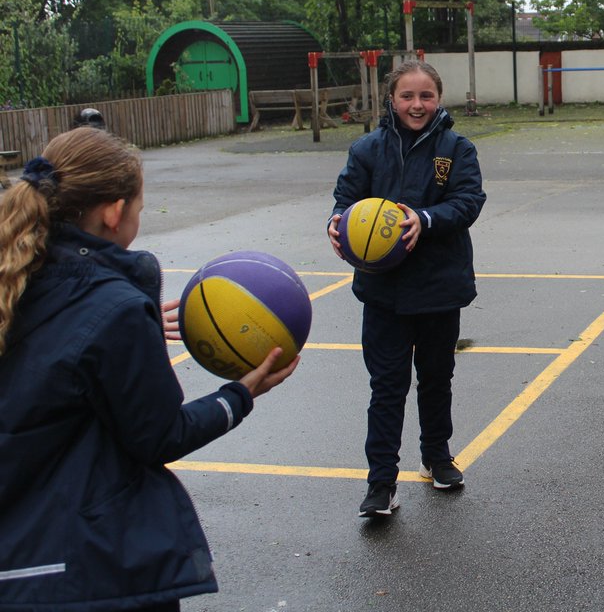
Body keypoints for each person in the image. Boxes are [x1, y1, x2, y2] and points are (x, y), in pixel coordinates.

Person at [0, 127, 298, 611]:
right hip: (89, 571)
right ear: (115, 212)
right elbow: (160, 436)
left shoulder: (15, 276)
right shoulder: (112, 311)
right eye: (139, 206)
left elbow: (53, 359)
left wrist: (116, 332)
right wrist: (238, 395)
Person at [328, 59, 486, 518]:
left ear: (439, 99)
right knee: (387, 386)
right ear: (391, 100)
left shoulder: (457, 148)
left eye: (426, 96)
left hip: (438, 287)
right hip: (384, 293)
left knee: (436, 379)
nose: (417, 105)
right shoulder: (367, 149)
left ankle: (437, 456)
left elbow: (468, 201)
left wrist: (426, 219)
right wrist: (337, 225)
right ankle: (381, 483)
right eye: (407, 96)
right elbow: (345, 201)